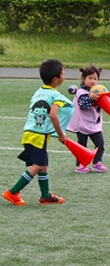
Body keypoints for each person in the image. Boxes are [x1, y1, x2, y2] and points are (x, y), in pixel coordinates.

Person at [3, 59, 73, 206]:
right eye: (63, 73)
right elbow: (53, 115)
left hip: (29, 133)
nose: (64, 76)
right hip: (38, 136)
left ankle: (45, 195)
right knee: (38, 166)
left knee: (43, 165)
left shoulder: (39, 92)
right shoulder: (55, 96)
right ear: (56, 79)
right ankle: (13, 192)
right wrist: (60, 134)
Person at [66, 64, 110, 173]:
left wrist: (108, 97)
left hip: (94, 124)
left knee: (100, 144)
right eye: (90, 78)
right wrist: (90, 98)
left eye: (95, 79)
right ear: (83, 79)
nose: (93, 81)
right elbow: (83, 104)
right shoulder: (81, 92)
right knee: (82, 147)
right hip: (82, 125)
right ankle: (80, 165)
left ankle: (97, 163)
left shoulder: (98, 91)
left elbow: (108, 104)